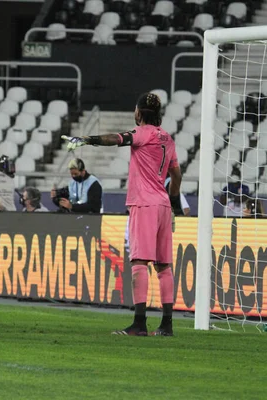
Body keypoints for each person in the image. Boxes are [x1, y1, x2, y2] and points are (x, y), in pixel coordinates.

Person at [65, 92, 182, 336]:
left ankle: (139, 324)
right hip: (162, 204)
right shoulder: (167, 139)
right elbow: (176, 174)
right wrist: (173, 202)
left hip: (143, 204)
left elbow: (116, 139)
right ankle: (167, 325)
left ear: (138, 113)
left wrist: (87, 139)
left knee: (139, 262)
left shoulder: (141, 133)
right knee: (164, 266)